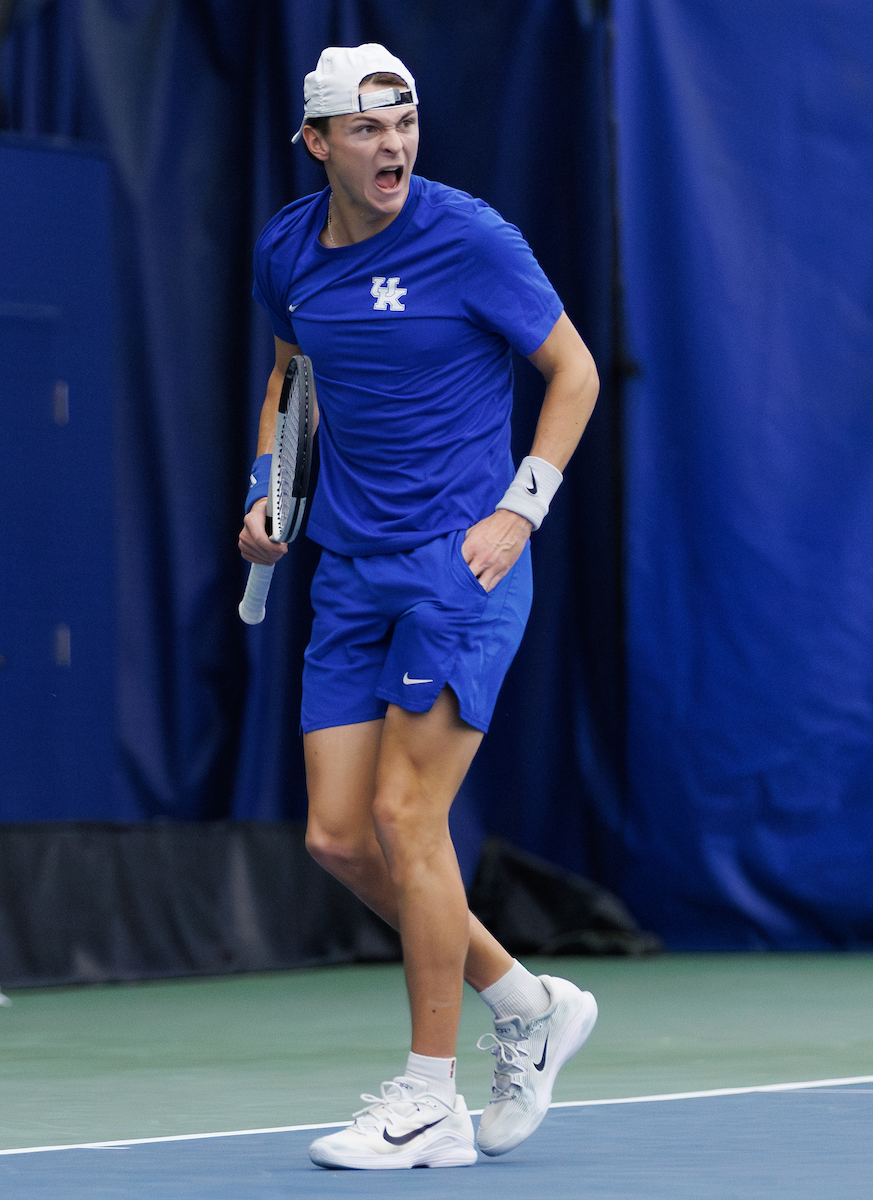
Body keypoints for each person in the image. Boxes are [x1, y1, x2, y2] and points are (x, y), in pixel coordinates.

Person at [239, 43, 600, 1171]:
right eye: (366, 129)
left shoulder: (472, 238)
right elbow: (293, 377)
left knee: (407, 817)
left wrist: (520, 511)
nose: (391, 145)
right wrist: (265, 489)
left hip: (462, 568)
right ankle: (528, 1004)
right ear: (317, 143)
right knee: (339, 838)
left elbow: (575, 373)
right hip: (349, 568)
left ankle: (429, 1099)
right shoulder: (287, 250)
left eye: (403, 124)